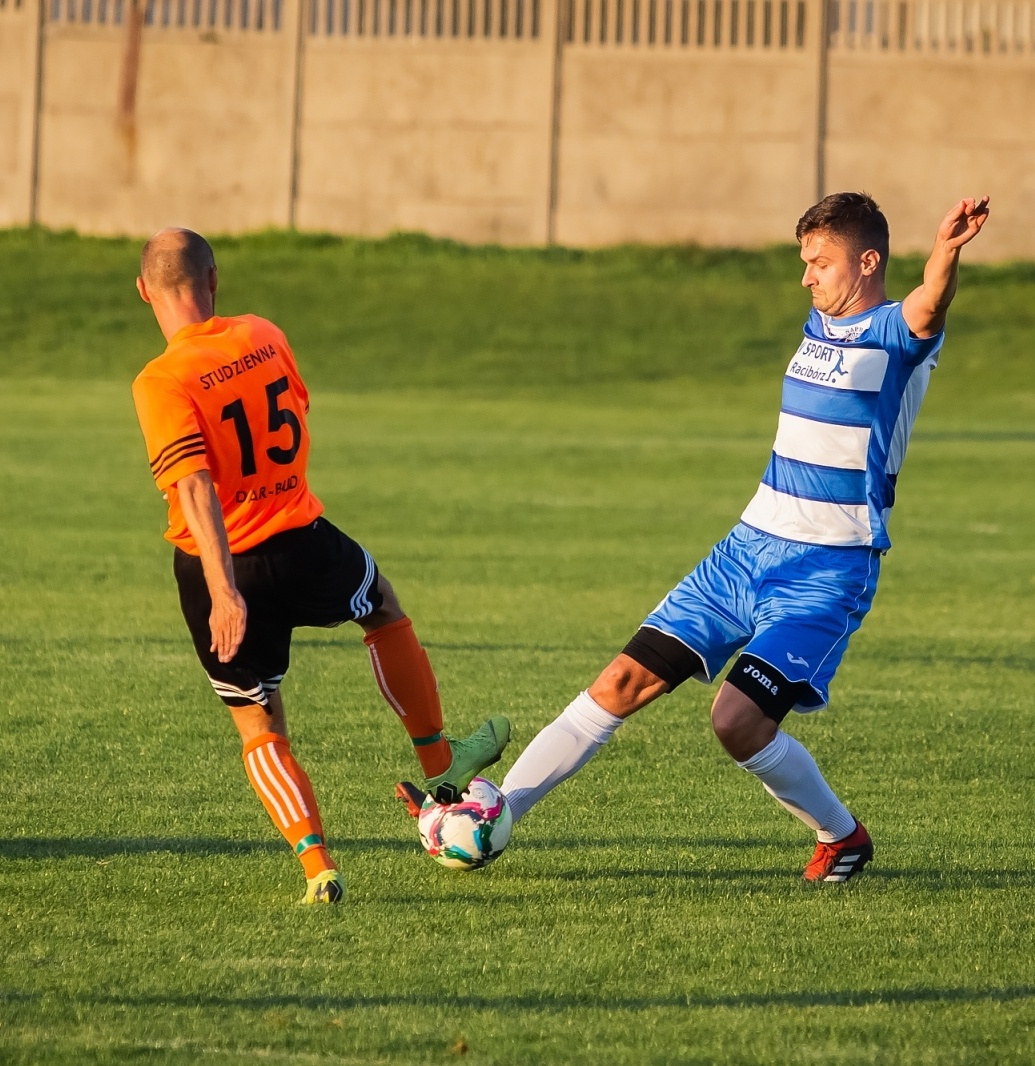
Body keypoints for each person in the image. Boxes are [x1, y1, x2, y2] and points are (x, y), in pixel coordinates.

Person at [455, 193, 989, 882]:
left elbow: (929, 306)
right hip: (742, 552)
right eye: (804, 263)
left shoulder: (897, 337)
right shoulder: (819, 324)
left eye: (820, 263)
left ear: (868, 261)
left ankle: (842, 836)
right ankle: (496, 812)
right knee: (620, 681)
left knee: (737, 721)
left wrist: (945, 251)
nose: (807, 277)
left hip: (826, 570)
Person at [131, 228, 510, 904]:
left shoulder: (161, 380)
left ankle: (319, 869)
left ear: (143, 292)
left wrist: (224, 592)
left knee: (259, 724)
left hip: (219, 568)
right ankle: (439, 760)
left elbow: (193, 487)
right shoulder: (262, 333)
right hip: (302, 539)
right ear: (213, 278)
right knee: (382, 606)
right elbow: (298, 415)